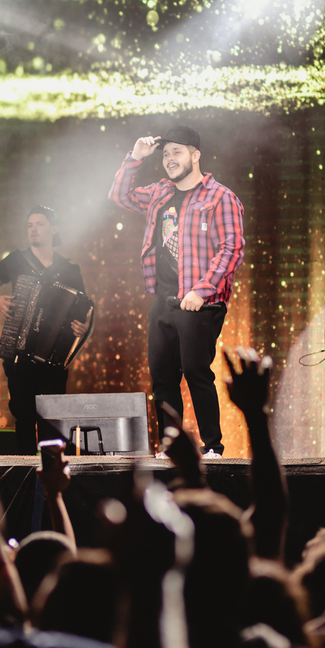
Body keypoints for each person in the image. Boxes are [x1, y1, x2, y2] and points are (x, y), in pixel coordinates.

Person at [109, 125, 244, 456]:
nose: (170, 159)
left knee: (196, 372)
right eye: (166, 153)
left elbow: (232, 248)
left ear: (195, 156)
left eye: (177, 152)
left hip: (199, 300)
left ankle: (213, 448)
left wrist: (201, 291)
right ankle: (171, 448)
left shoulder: (220, 197)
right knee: (162, 378)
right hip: (163, 298)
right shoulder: (161, 192)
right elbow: (120, 196)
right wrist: (135, 158)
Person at [0, 206, 90, 454]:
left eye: (40, 224)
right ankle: (27, 473)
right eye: (30, 225)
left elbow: (84, 307)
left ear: (54, 229)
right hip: (18, 356)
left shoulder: (69, 269)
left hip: (53, 358)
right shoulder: (16, 260)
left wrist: (83, 327)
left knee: (53, 422)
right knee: (24, 419)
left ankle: (53, 474)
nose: (33, 230)